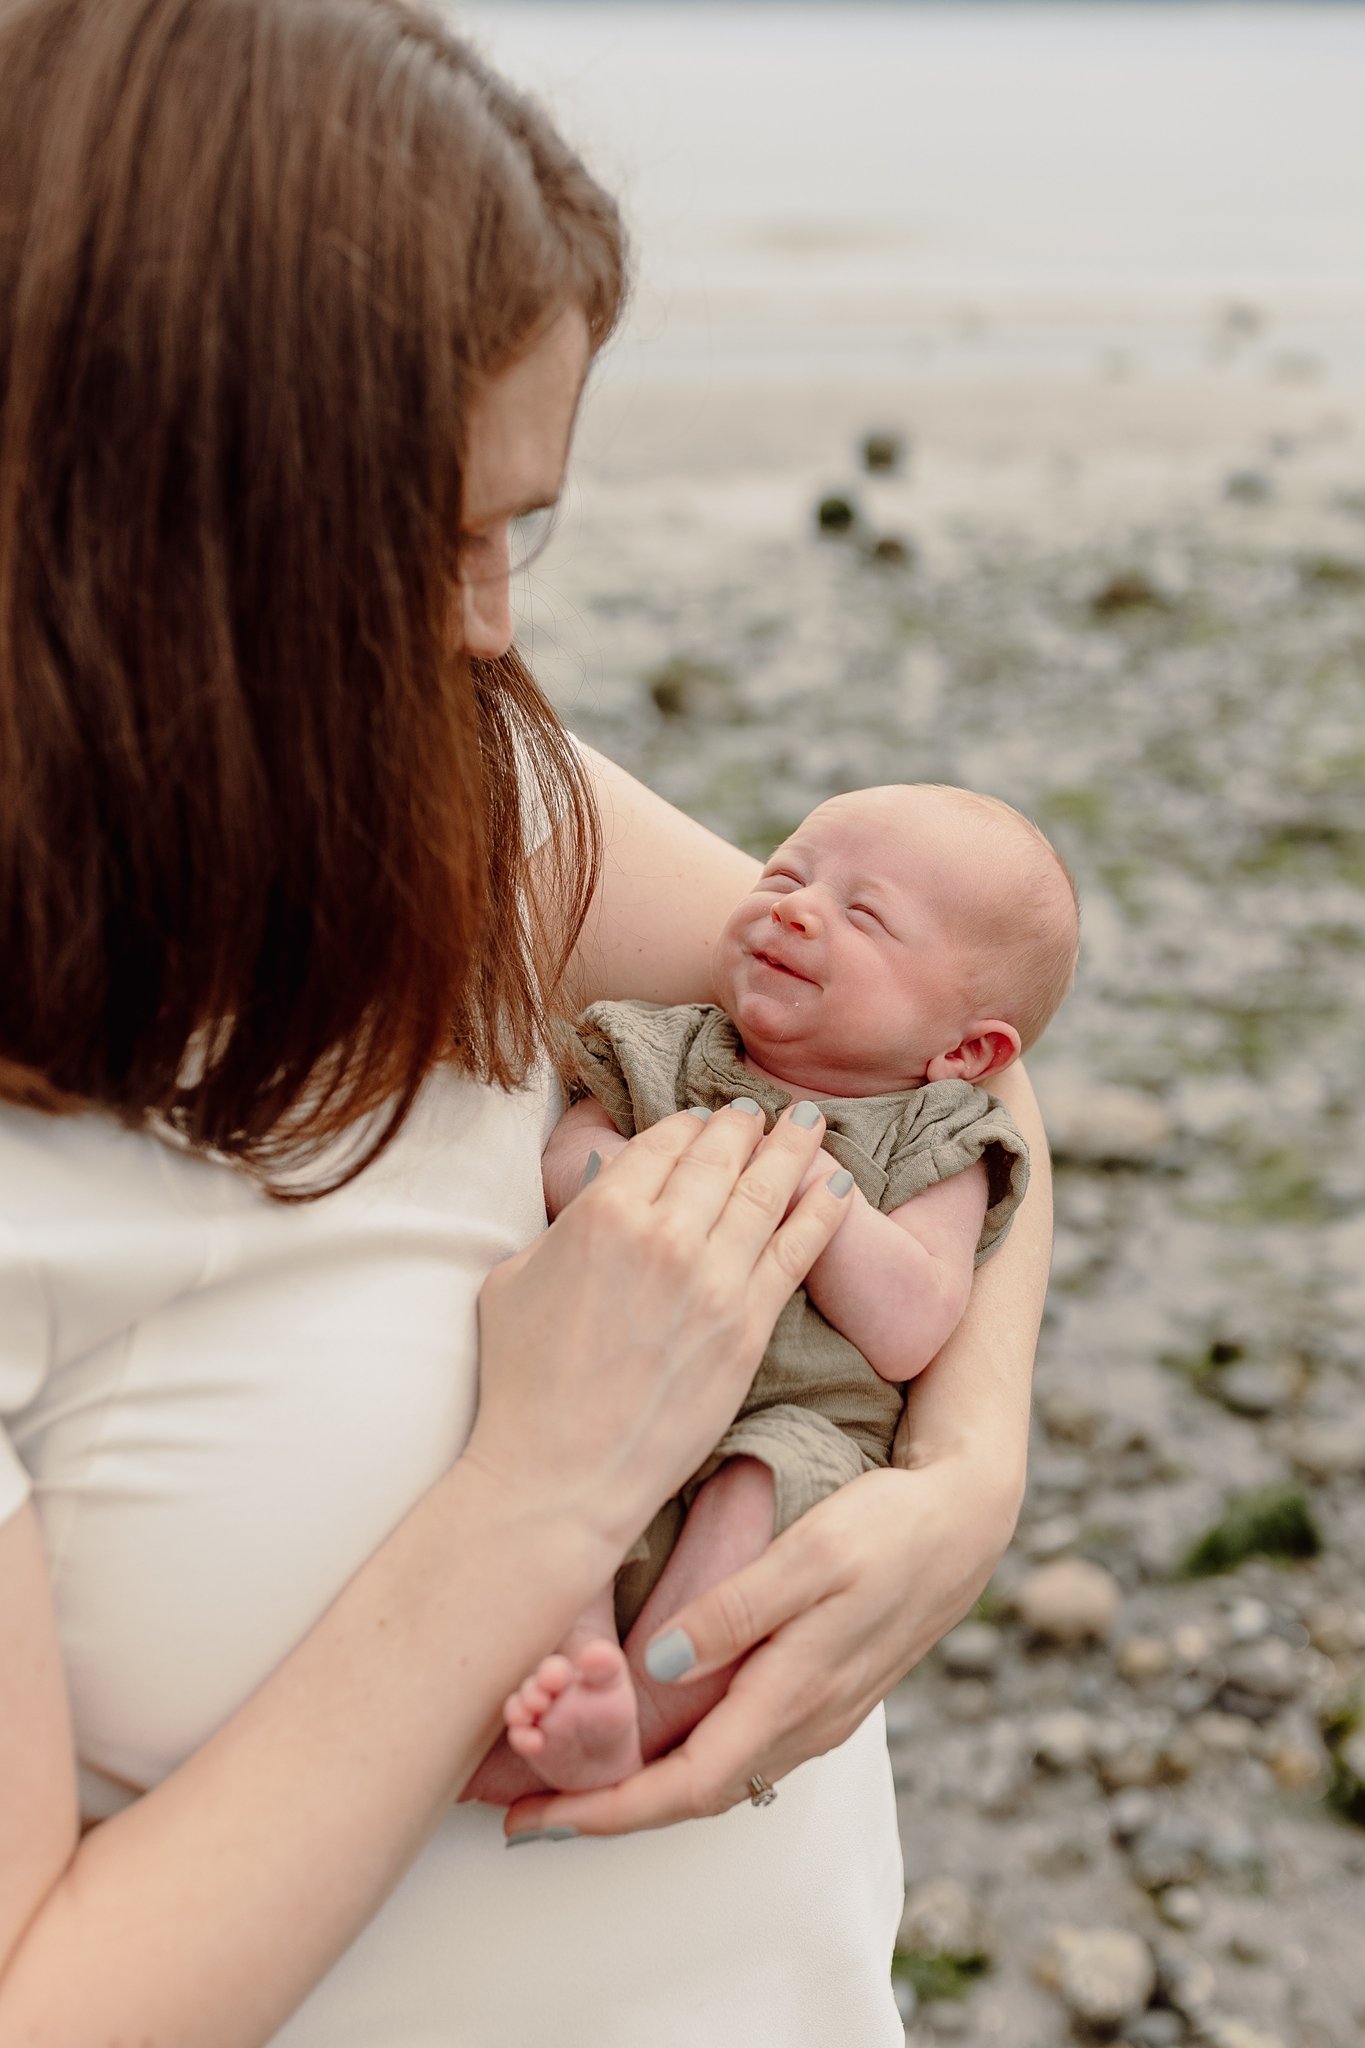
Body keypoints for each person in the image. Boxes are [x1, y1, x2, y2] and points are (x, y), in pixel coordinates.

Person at [0, 5, 1053, 2044]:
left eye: (529, 526)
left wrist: (963, 1479)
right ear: (151, 534)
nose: (497, 629)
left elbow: (963, 1045)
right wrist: (545, 1487)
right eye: (430, 539)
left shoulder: (446, 802)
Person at [485, 785, 1076, 1797]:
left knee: (760, 1492)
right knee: (571, 1470)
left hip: (797, 1421)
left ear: (966, 1051)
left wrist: (815, 1193)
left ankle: (649, 1702)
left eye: (866, 914)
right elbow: (572, 1147)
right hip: (630, 1365)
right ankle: (572, 1668)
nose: (795, 908)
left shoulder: (936, 1136)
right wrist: (615, 1174)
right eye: (785, 874)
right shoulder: (667, 1044)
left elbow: (913, 1323)